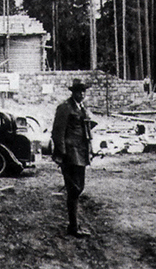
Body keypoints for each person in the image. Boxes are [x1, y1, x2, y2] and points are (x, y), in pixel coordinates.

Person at [52, 78, 95, 238]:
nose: (82, 94)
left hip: (81, 153)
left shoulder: (82, 108)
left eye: (83, 91)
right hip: (70, 154)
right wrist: (62, 154)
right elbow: (58, 132)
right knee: (74, 189)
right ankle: (73, 226)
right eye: (79, 91)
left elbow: (86, 130)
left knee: (79, 188)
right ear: (73, 92)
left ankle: (74, 224)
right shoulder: (65, 108)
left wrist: (90, 149)